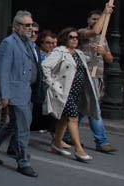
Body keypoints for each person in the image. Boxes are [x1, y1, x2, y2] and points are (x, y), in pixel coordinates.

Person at [0, 10, 39, 177]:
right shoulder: (9, 43)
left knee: (15, 124)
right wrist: (4, 94)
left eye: (31, 25)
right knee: (23, 128)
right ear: (17, 26)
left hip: (26, 90)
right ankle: (23, 161)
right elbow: (2, 70)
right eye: (27, 25)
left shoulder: (27, 43)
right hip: (15, 92)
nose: (31, 28)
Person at [42, 27, 100, 163]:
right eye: (71, 37)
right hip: (64, 92)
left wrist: (94, 54)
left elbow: (91, 64)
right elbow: (45, 66)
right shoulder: (60, 52)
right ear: (65, 39)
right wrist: (52, 84)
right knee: (73, 118)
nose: (74, 40)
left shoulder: (79, 54)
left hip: (76, 92)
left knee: (64, 119)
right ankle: (79, 149)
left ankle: (56, 144)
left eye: (76, 37)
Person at [78, 6, 117, 153]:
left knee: (82, 110)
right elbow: (94, 31)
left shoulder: (103, 38)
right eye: (93, 18)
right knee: (95, 109)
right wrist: (105, 14)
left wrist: (104, 52)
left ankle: (66, 135)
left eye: (98, 18)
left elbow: (110, 59)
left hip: (98, 77)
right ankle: (101, 141)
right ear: (88, 20)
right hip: (86, 76)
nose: (95, 21)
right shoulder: (81, 33)